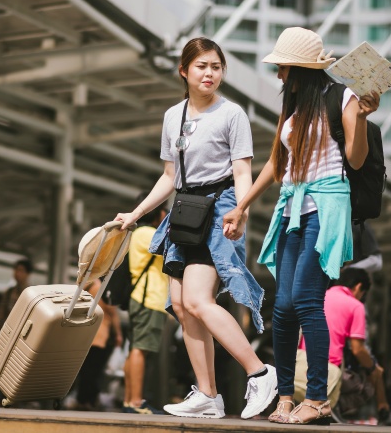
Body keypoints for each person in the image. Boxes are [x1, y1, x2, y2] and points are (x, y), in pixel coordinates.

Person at [223, 27, 380, 425]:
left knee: (306, 301)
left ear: (301, 70)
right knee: (284, 306)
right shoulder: (294, 111)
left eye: (283, 68)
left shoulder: (340, 97)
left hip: (324, 208)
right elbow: (279, 164)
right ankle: (286, 397)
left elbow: (356, 160)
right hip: (292, 207)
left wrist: (360, 119)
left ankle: (317, 399)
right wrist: (242, 206)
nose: (279, 75)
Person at [115, 36, 277, 420]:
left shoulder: (232, 114)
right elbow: (169, 176)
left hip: (219, 209)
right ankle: (207, 395)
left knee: (201, 301)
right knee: (185, 308)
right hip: (183, 212)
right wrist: (134, 215)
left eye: (216, 67)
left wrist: (241, 209)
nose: (210, 73)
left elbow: (242, 170)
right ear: (184, 70)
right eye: (202, 66)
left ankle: (260, 372)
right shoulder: (174, 116)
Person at [305, 267, 391, 425]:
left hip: (302, 367)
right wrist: (374, 368)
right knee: (371, 379)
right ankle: (332, 406)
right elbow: (358, 350)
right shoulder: (355, 305)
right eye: (363, 294)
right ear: (359, 287)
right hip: (329, 373)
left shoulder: (318, 296)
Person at [122, 199, 168, 415]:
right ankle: (136, 401)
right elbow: (170, 245)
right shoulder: (146, 233)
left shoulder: (139, 233)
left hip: (144, 297)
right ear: (157, 213)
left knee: (136, 349)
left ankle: (129, 401)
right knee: (141, 349)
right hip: (148, 297)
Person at [74, 278, 123, 410]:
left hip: (83, 335)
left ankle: (81, 400)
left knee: (84, 370)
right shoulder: (102, 288)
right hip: (99, 336)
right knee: (94, 371)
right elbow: (113, 314)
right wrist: (118, 334)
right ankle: (89, 401)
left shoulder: (84, 285)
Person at [0, 258, 33, 331]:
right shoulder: (9, 292)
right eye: (16, 270)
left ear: (27, 274)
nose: (17, 273)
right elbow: (1, 313)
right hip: (7, 328)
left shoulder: (31, 293)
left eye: (21, 270)